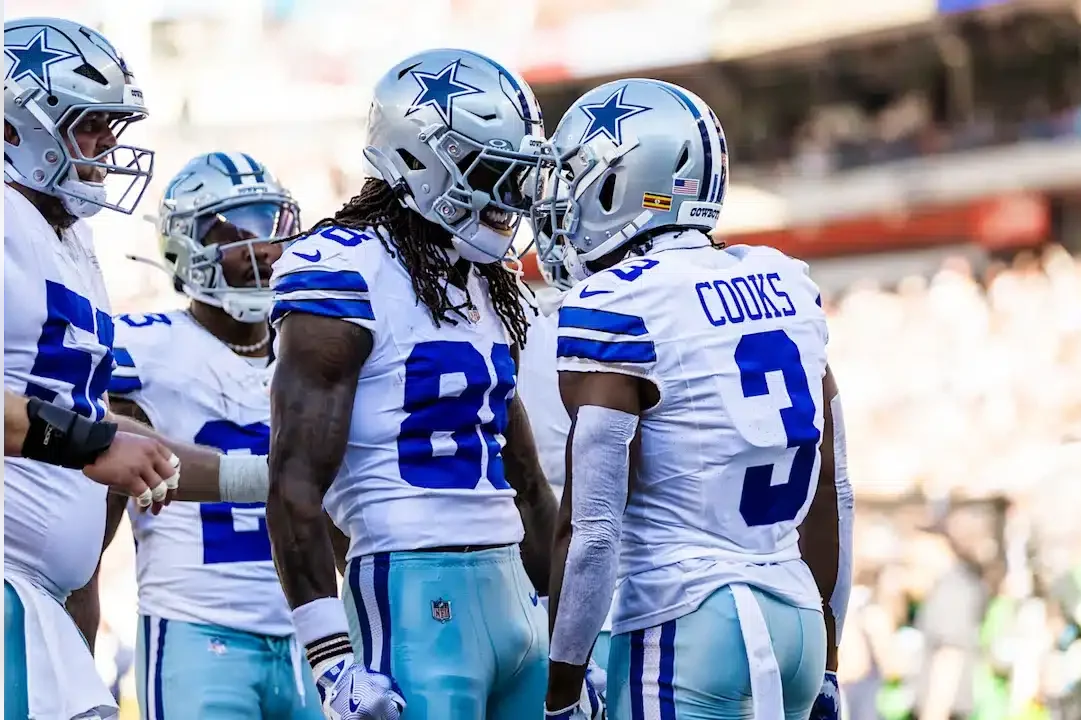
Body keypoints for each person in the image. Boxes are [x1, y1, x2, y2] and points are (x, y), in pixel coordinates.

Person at [266, 48, 561, 719]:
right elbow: (292, 484)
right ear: (422, 162)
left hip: (514, 595)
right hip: (411, 590)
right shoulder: (343, 268)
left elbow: (527, 484)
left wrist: (567, 640)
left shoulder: (483, 283)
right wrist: (331, 659)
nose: (511, 196)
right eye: (495, 171)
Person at [535, 78, 843, 720]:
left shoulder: (623, 302)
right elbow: (833, 491)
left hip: (686, 622)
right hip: (796, 618)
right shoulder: (787, 282)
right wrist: (829, 656)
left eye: (578, 179)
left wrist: (561, 691)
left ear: (623, 183)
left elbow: (592, 530)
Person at [99, 152, 323, 719]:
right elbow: (93, 453)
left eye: (271, 225)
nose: (263, 248)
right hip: (196, 626)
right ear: (186, 244)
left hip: (308, 632)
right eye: (235, 229)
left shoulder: (315, 347)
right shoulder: (147, 347)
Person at [3, 17, 168, 720]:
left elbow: (81, 420)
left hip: (39, 595)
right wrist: (96, 444)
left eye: (111, 124)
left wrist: (263, 473)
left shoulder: (68, 238)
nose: (107, 144)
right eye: (88, 123)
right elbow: (86, 439)